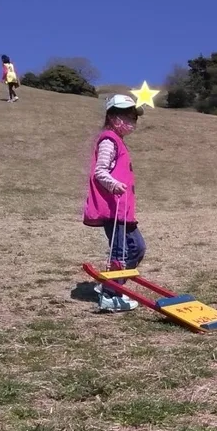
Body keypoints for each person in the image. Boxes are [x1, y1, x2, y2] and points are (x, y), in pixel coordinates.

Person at [83, 94, 146, 312]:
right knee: (120, 253)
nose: (130, 122)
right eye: (125, 116)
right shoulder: (109, 140)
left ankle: (111, 285)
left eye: (133, 118)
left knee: (137, 248)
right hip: (114, 208)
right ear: (112, 116)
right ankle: (110, 295)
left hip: (125, 211)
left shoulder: (119, 141)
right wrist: (114, 184)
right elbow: (100, 171)